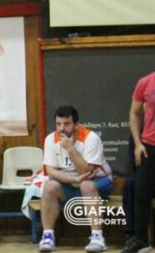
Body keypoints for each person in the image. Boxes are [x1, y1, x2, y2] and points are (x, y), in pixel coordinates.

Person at [38, 105, 113, 253]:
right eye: (58, 124)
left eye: (66, 124)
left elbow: (86, 171)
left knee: (87, 186)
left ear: (76, 124)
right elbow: (51, 171)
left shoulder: (91, 138)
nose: (61, 128)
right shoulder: (50, 139)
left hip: (98, 181)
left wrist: (71, 149)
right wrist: (72, 180)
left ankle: (97, 237)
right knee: (49, 187)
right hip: (71, 182)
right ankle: (48, 236)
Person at [125, 70, 154, 253]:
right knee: (141, 194)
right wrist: (137, 143)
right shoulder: (145, 82)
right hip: (150, 146)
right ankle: (141, 241)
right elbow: (134, 114)